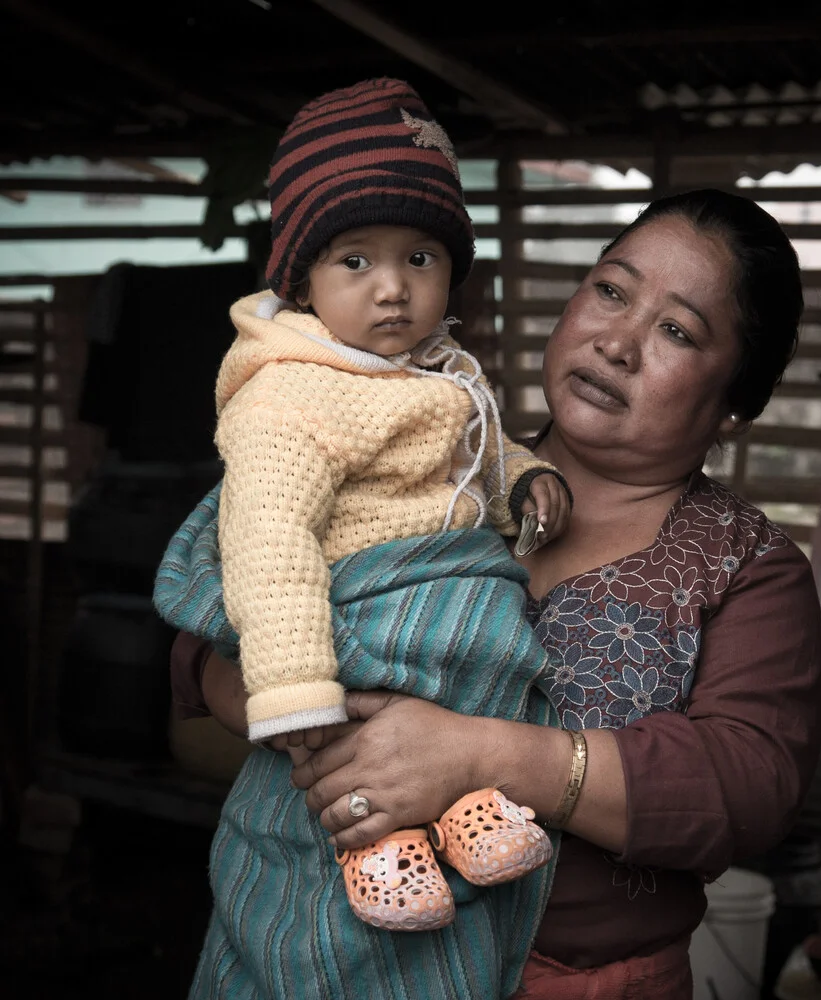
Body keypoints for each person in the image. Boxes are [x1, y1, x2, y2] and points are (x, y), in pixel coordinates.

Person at [171, 188, 821, 999]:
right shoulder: (434, 455)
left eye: (677, 331)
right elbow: (210, 615)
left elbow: (748, 786)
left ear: (737, 402)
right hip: (320, 950)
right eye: (612, 290)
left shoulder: (747, 565)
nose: (617, 342)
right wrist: (314, 728)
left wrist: (480, 757)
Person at [154, 77, 572, 935]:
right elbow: (269, 539)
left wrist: (524, 474)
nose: (393, 288)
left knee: (491, 669)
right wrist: (297, 692)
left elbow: (478, 454)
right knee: (369, 724)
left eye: (420, 258)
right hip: (359, 614)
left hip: (453, 602)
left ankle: (461, 813)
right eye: (357, 260)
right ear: (304, 280)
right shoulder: (291, 396)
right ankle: (370, 845)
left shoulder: (439, 366)